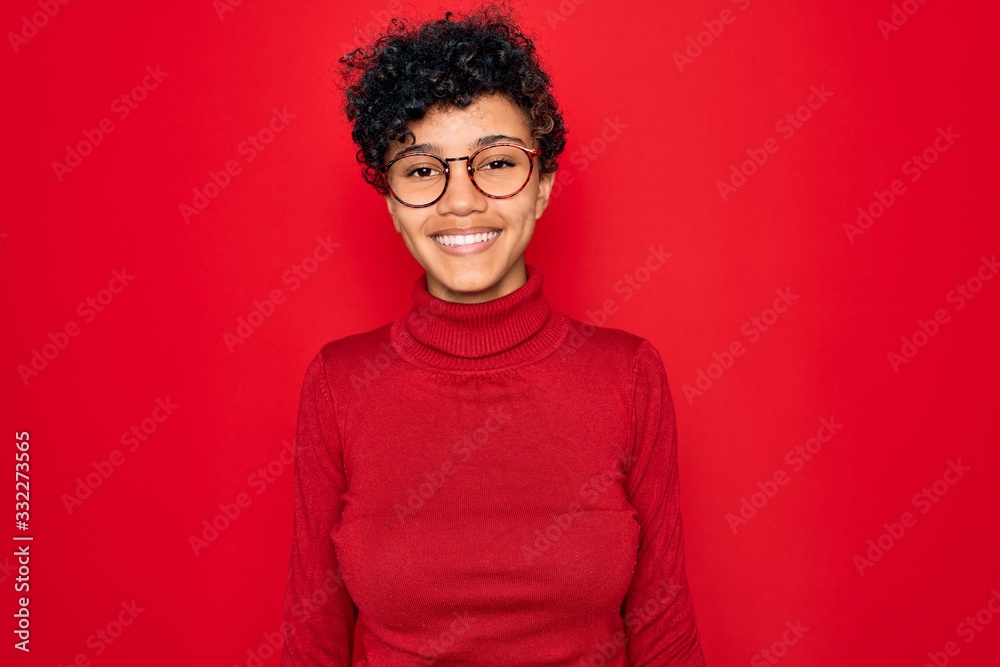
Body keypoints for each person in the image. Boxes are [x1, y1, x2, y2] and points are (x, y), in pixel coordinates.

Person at [278, 5, 707, 666]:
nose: (461, 201)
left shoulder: (627, 376)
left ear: (543, 186)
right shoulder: (339, 384)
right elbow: (312, 645)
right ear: (391, 202)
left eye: (497, 163)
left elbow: (665, 636)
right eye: (423, 170)